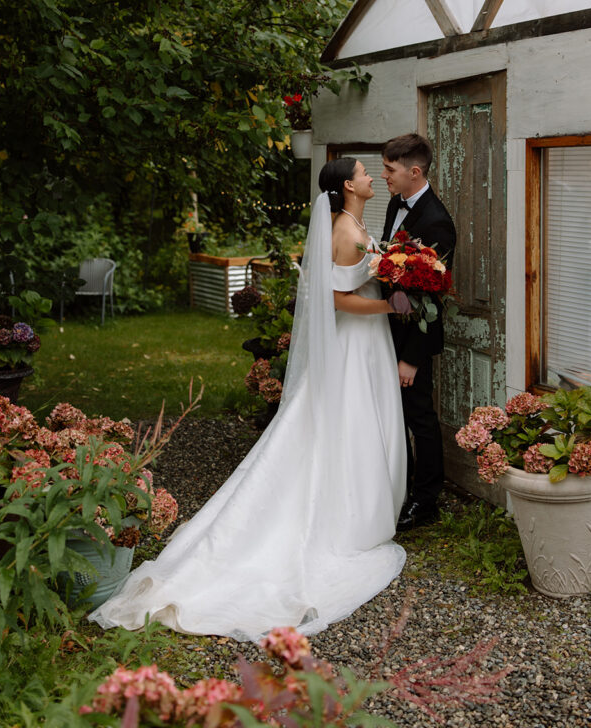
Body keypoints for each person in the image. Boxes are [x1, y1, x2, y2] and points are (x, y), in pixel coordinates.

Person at [90, 158, 407, 641]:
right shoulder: (344, 229)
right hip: (353, 340)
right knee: (343, 421)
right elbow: (337, 299)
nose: (370, 177)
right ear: (348, 185)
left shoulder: (356, 223)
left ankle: (364, 503)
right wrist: (389, 301)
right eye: (365, 172)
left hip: (366, 340)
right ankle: (340, 519)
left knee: (354, 419)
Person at [381, 133, 456, 530]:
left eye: (390, 170)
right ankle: (400, 486)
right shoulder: (396, 203)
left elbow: (430, 299)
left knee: (420, 417)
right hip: (387, 329)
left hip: (414, 338)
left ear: (414, 171)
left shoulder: (437, 222)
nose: (384, 176)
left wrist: (411, 357)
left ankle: (426, 500)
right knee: (395, 414)